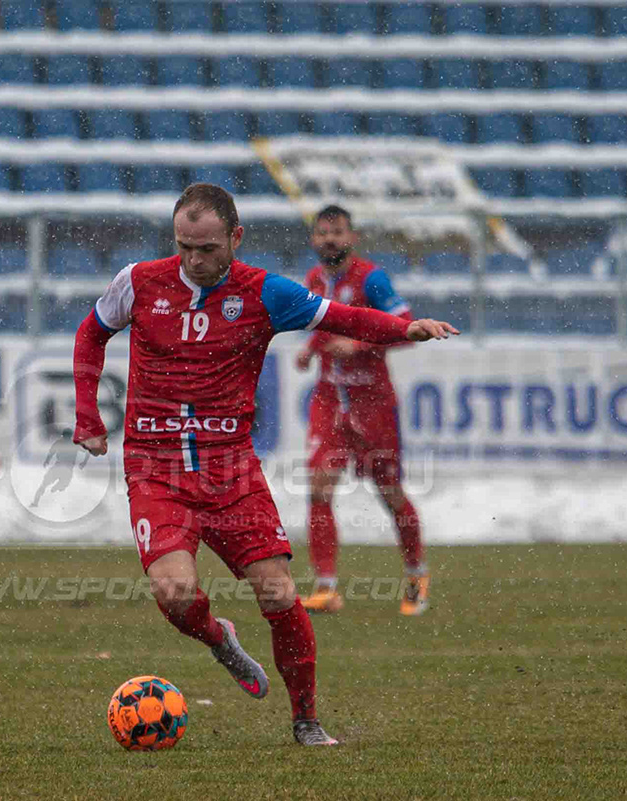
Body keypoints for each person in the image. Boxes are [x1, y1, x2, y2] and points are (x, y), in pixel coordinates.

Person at [72, 184, 458, 745]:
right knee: (175, 595)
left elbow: (344, 318)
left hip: (231, 470)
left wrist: (406, 328)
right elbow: (91, 335)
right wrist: (87, 416)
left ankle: (306, 719)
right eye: (184, 247)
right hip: (155, 468)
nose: (195, 260)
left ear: (236, 238)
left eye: (207, 248)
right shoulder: (138, 282)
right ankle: (219, 640)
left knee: (278, 594)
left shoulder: (265, 293)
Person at [295, 205, 428, 616]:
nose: (329, 239)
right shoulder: (314, 279)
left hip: (373, 403)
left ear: (352, 238)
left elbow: (407, 327)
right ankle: (327, 588)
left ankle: (415, 575)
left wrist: (359, 346)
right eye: (322, 233)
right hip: (330, 399)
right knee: (319, 486)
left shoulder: (372, 278)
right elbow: (324, 324)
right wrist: (311, 349)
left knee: (390, 493)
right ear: (314, 239)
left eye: (336, 232)